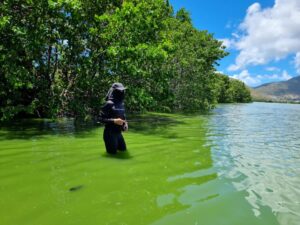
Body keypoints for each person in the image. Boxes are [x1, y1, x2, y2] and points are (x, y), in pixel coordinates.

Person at [99, 83, 128, 154]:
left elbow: (123, 116)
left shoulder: (121, 104)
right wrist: (114, 121)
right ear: (114, 91)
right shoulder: (109, 103)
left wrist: (125, 124)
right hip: (109, 134)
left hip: (119, 133)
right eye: (119, 91)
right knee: (112, 155)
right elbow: (99, 119)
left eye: (122, 91)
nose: (121, 92)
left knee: (123, 151)